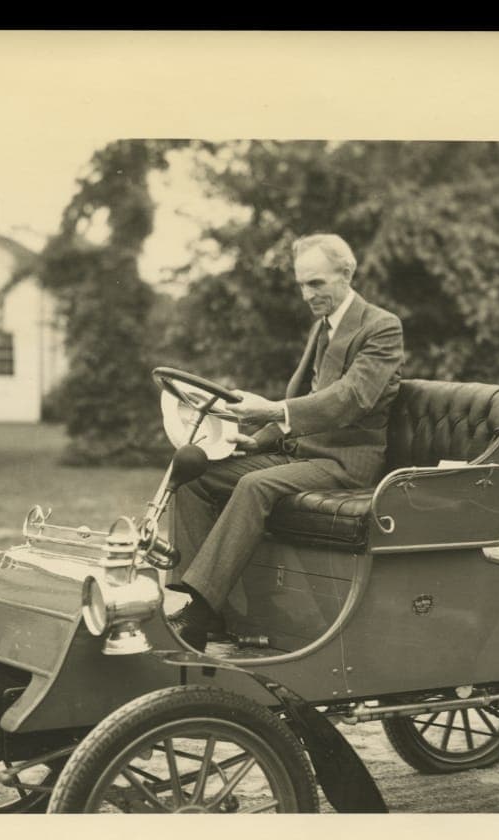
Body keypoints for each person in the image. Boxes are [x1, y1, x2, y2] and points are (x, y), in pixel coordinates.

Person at [167, 233, 404, 649]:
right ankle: (208, 609)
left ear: (346, 274)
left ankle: (200, 615)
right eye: (301, 284)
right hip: (303, 454)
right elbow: (303, 399)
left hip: (346, 464)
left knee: (255, 485)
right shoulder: (322, 327)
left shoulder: (381, 327)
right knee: (193, 471)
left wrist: (274, 411)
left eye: (316, 284)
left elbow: (351, 399)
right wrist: (254, 442)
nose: (307, 294)